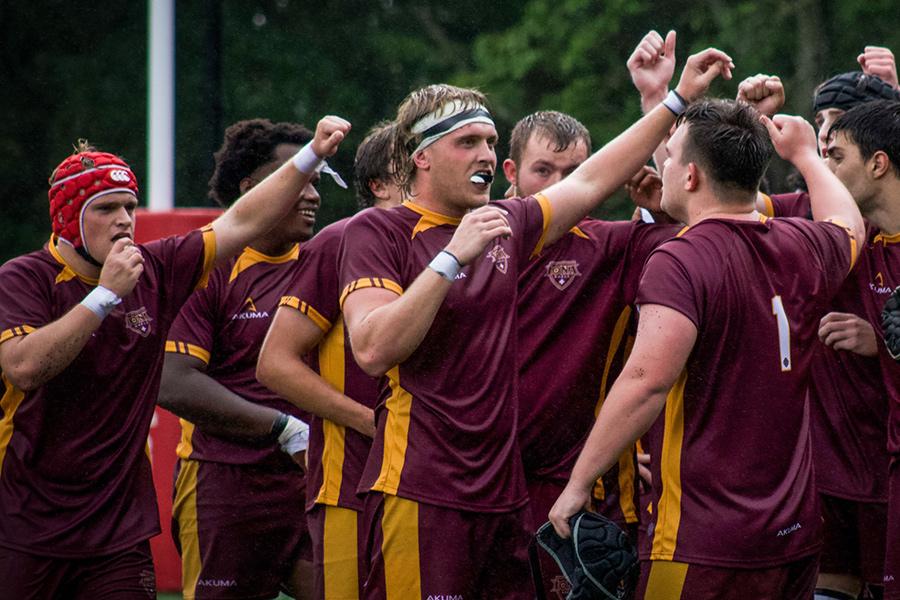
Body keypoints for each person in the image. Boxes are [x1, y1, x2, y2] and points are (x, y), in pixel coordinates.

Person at [338, 48, 732, 599]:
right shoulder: (377, 232)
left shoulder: (508, 222)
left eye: (490, 142)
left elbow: (593, 182)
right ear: (422, 157)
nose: (483, 154)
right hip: (423, 490)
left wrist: (675, 99)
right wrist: (451, 258)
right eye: (467, 142)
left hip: (508, 498)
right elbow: (374, 347)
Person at [0, 115, 350, 599]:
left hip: (118, 531)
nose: (124, 220)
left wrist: (311, 154)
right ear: (68, 220)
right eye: (106, 209)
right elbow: (24, 366)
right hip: (23, 522)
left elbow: (241, 220)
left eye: (130, 206)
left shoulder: (157, 267)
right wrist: (103, 298)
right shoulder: (24, 278)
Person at [549, 100, 864, 600]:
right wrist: (806, 155)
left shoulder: (681, 257)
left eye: (669, 157)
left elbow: (645, 381)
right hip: (794, 539)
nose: (662, 167)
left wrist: (577, 485)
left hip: (703, 541)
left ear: (691, 176)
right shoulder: (804, 243)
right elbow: (850, 225)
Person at [740, 59, 900, 600]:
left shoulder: (885, 217)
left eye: (838, 130)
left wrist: (880, 343)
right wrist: (746, 125)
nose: (823, 140)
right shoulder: (808, 213)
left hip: (884, 459)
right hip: (825, 463)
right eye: (818, 127)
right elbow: (717, 199)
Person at [505, 107, 679, 597]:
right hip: (479, 480)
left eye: (575, 173)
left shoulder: (612, 245)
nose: (559, 185)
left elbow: (700, 246)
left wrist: (662, 211)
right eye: (544, 170)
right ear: (511, 172)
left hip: (584, 489)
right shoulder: (473, 237)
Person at [158, 118, 329, 600]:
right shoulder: (205, 266)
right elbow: (172, 381)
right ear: (252, 188)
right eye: (299, 178)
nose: (312, 194)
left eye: (317, 181)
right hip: (224, 484)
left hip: (311, 482)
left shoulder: (330, 260)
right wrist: (285, 428)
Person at [256, 121, 401, 600]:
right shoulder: (340, 241)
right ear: (378, 184)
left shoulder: (462, 241)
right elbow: (274, 364)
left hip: (439, 485)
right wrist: (372, 423)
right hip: (351, 485)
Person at [821, 100, 900, 600]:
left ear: (878, 163)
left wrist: (883, 346)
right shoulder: (853, 238)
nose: (826, 170)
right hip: (878, 464)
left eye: (837, 157)